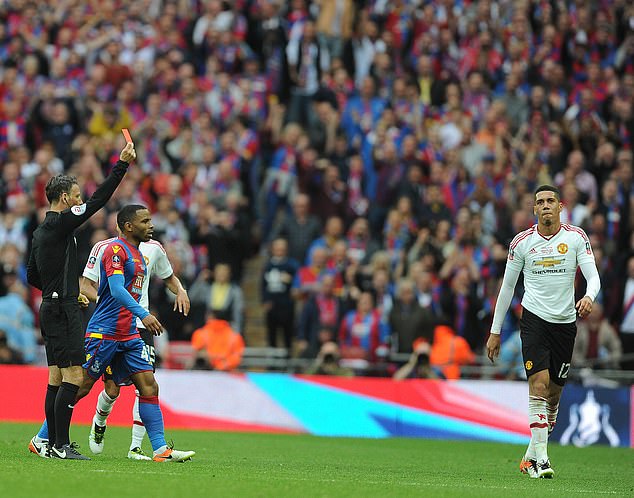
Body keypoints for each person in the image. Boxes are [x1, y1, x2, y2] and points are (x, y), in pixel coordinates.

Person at [29, 224, 191, 460]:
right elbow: (88, 286)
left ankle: (157, 449)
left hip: (138, 330)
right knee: (86, 387)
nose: (151, 225)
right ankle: (43, 436)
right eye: (144, 221)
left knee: (148, 385)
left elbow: (169, 277)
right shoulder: (105, 248)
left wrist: (181, 290)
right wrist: (119, 303)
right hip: (108, 329)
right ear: (127, 225)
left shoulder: (153, 249)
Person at [26, 142, 135, 460]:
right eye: (76, 195)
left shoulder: (40, 233)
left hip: (51, 305)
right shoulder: (62, 223)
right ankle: (60, 445)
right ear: (64, 199)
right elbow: (99, 200)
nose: (80, 200)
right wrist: (121, 165)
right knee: (74, 376)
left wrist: (61, 291)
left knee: (56, 377)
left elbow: (33, 275)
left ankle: (47, 444)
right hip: (63, 309)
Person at [486, 185, 600, 479]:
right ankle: (542, 461)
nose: (546, 205)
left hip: (565, 323)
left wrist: (589, 296)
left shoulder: (576, 238)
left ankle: (530, 455)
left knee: (552, 396)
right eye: (540, 202)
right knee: (538, 384)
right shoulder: (521, 243)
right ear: (534, 209)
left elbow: (593, 276)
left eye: (551, 201)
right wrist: (495, 331)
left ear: (560, 206)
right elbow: (507, 288)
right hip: (534, 319)